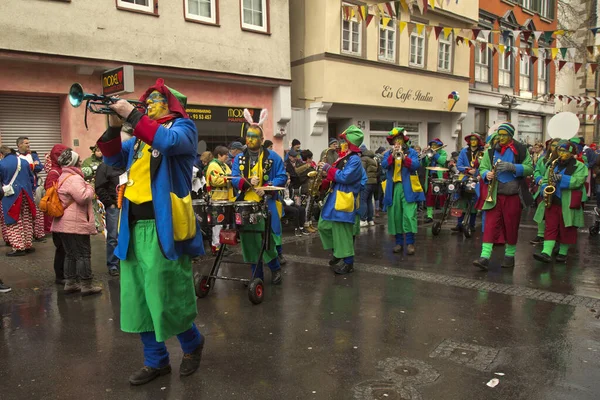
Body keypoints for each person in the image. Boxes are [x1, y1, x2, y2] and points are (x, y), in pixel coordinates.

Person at [99, 78, 205, 385]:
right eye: (150, 99)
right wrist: (112, 123)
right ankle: (156, 361)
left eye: (158, 99)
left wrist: (133, 116)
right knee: (138, 299)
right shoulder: (141, 138)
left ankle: (192, 343)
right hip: (132, 228)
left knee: (167, 296)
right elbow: (113, 158)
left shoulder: (183, 129)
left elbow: (168, 143)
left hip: (164, 229)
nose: (151, 103)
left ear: (172, 105)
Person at [231, 108, 287, 284]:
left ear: (262, 139)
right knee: (248, 242)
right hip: (245, 206)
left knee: (266, 240)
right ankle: (257, 277)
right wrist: (247, 181)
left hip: (266, 205)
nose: (250, 139)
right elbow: (233, 179)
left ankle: (275, 268)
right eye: (248, 135)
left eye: (254, 136)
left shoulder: (274, 157)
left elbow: (282, 177)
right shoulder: (239, 158)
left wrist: (267, 188)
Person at [473, 123, 533, 270]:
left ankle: (510, 256)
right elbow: (483, 167)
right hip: (494, 194)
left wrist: (513, 167)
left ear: (511, 136)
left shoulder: (520, 150)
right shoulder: (491, 151)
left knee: (511, 226)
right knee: (490, 225)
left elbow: (530, 168)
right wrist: (486, 174)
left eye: (504, 135)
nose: (501, 137)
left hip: (513, 195)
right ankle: (485, 257)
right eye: (499, 134)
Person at [51, 148, 102, 296]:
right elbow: (83, 197)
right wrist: (90, 187)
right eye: (78, 160)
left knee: (70, 254)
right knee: (83, 254)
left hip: (63, 223)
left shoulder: (63, 176)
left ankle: (70, 282)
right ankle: (86, 285)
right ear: (73, 162)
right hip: (75, 223)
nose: (80, 163)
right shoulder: (74, 178)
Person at [318, 125, 365, 274]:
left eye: (344, 140)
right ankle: (338, 253)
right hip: (334, 196)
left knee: (343, 232)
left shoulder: (355, 160)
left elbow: (345, 177)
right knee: (323, 226)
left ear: (350, 143)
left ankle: (348, 263)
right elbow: (337, 175)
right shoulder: (343, 157)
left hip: (344, 197)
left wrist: (327, 169)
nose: (341, 143)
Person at [533, 140, 587, 263]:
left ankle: (562, 253)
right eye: (560, 150)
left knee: (566, 228)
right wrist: (544, 189)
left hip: (568, 202)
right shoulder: (554, 164)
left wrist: (563, 178)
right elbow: (546, 179)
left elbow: (578, 181)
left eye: (565, 151)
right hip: (553, 201)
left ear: (572, 153)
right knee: (550, 227)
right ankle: (546, 252)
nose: (561, 153)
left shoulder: (580, 166)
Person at [381, 128, 424, 254]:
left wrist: (405, 159)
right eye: (395, 141)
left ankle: (410, 243)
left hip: (408, 187)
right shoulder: (389, 153)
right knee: (395, 215)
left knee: (409, 215)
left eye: (399, 140)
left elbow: (416, 165)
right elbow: (383, 165)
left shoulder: (411, 152)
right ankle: (399, 243)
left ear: (404, 141)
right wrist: (392, 158)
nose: (397, 143)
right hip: (394, 187)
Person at [95, 146, 126, 276]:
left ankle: (125, 263)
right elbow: (100, 187)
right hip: (114, 207)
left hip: (128, 205)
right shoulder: (104, 167)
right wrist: (111, 204)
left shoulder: (125, 165)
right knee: (113, 236)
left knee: (126, 235)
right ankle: (113, 264)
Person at [0, 146, 36, 256]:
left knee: (13, 220)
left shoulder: (2, 164)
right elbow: (32, 178)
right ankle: (28, 245)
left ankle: (18, 247)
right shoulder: (24, 162)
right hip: (26, 193)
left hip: (11, 195)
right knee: (26, 219)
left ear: (2, 154)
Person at [45, 144, 69, 283]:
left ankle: (64, 273)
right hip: (58, 215)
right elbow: (51, 195)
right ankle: (60, 276)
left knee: (65, 247)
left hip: (61, 214)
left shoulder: (60, 171)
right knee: (61, 247)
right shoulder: (55, 173)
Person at [205, 145, 234, 255]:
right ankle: (216, 247)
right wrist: (229, 179)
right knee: (218, 224)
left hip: (226, 199)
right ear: (219, 155)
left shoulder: (224, 165)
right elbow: (215, 181)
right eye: (225, 155)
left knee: (225, 224)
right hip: (216, 199)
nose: (227, 157)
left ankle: (223, 245)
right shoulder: (213, 165)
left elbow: (231, 175)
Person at [530, 138, 560, 245]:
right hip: (542, 188)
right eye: (553, 145)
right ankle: (541, 234)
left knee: (554, 215)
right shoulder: (543, 159)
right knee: (541, 211)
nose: (554, 148)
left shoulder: (560, 161)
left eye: (557, 146)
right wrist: (539, 179)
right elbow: (536, 170)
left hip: (557, 189)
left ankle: (555, 237)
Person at [15, 137, 45, 242]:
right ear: (19, 145)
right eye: (26, 143)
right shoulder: (15, 156)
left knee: (38, 212)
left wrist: (33, 166)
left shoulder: (33, 155)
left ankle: (39, 234)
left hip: (34, 187)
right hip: (23, 189)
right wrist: (32, 166)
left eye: (29, 143)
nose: (28, 145)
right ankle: (27, 236)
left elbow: (40, 167)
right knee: (26, 213)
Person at [454, 133, 484, 232]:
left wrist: (479, 173)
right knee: (461, 201)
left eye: (475, 139)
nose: (473, 141)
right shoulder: (464, 151)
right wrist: (467, 170)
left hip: (477, 180)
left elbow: (485, 165)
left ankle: (471, 224)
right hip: (465, 178)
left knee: (474, 202)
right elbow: (459, 165)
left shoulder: (482, 152)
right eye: (471, 139)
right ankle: (459, 224)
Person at [423, 139, 448, 223]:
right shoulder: (429, 152)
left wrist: (435, 154)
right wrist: (424, 155)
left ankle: (444, 214)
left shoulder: (443, 153)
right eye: (432, 145)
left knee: (442, 197)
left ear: (439, 146)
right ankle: (429, 215)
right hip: (430, 177)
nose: (433, 147)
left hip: (439, 177)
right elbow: (424, 164)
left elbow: (442, 161)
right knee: (430, 197)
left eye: (435, 145)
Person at [359, 144, 378, 227]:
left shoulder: (363, 159)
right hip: (373, 182)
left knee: (363, 200)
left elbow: (361, 171)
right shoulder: (372, 159)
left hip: (366, 182)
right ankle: (370, 219)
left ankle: (363, 219)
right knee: (369, 201)